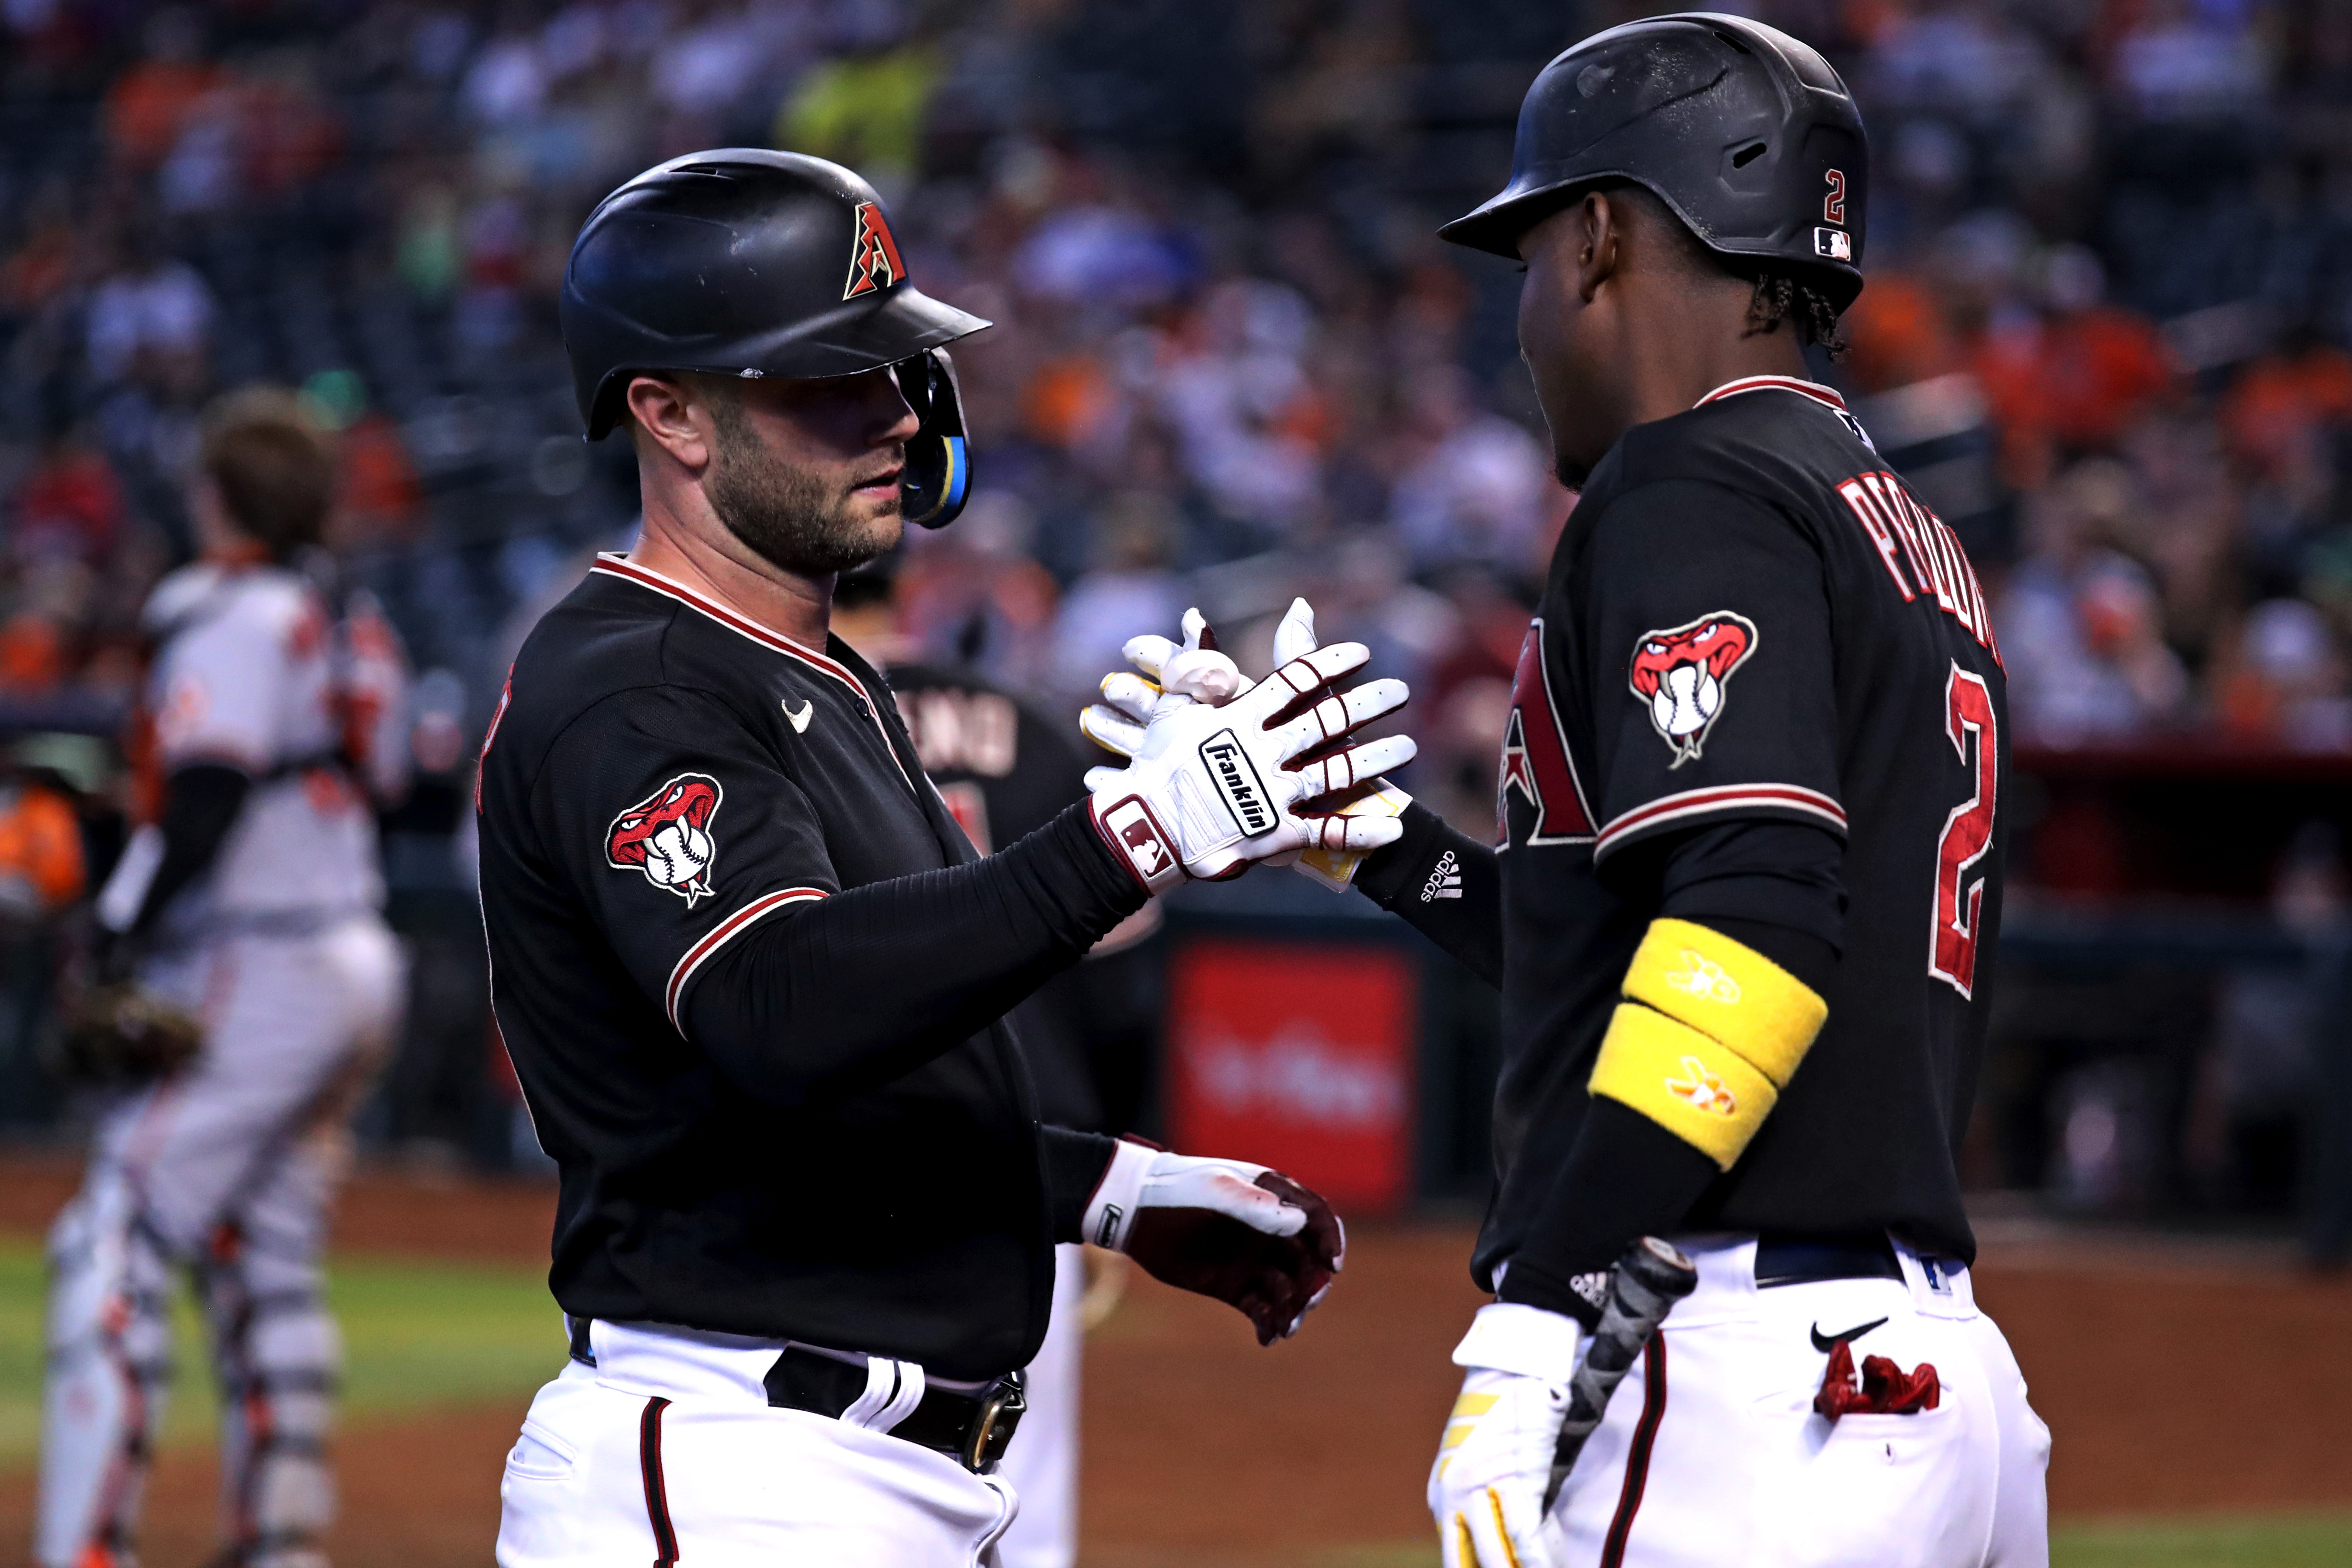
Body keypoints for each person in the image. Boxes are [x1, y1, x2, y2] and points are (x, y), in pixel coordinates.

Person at [1098, 17, 2049, 1568]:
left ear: (1600, 235)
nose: (1522, 312)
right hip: (1921, 1376)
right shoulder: (1882, 515)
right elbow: (1654, 949)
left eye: (1530, 257)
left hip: (1744, 1378)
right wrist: (1373, 846)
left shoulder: (1689, 481)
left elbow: (1750, 935)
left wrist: (1536, 1305)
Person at [482, 149, 1402, 1567]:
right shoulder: (633, 686)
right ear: (667, 414)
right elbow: (781, 1011)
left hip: (871, 1473)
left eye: (893, 368)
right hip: (740, 1472)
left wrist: (1106, 1190)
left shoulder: (821, 674)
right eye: (822, 382)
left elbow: (846, 1102)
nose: (891, 417)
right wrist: (1135, 833)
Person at [39, 389, 411, 1568]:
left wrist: (117, 926)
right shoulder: (352, 619)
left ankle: (83, 1547)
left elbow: (205, 790)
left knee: (112, 1231)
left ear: (216, 496)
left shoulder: (239, 614)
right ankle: (281, 1546)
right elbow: (390, 777)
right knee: (266, 1250)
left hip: (270, 951)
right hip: (354, 944)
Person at [832, 558, 1160, 1568]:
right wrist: (1118, 1158)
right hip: (1036, 1158)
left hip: (839, 1168)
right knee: (1027, 1517)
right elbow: (1125, 989)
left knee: (834, 1501)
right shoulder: (1029, 727)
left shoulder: (777, 722)